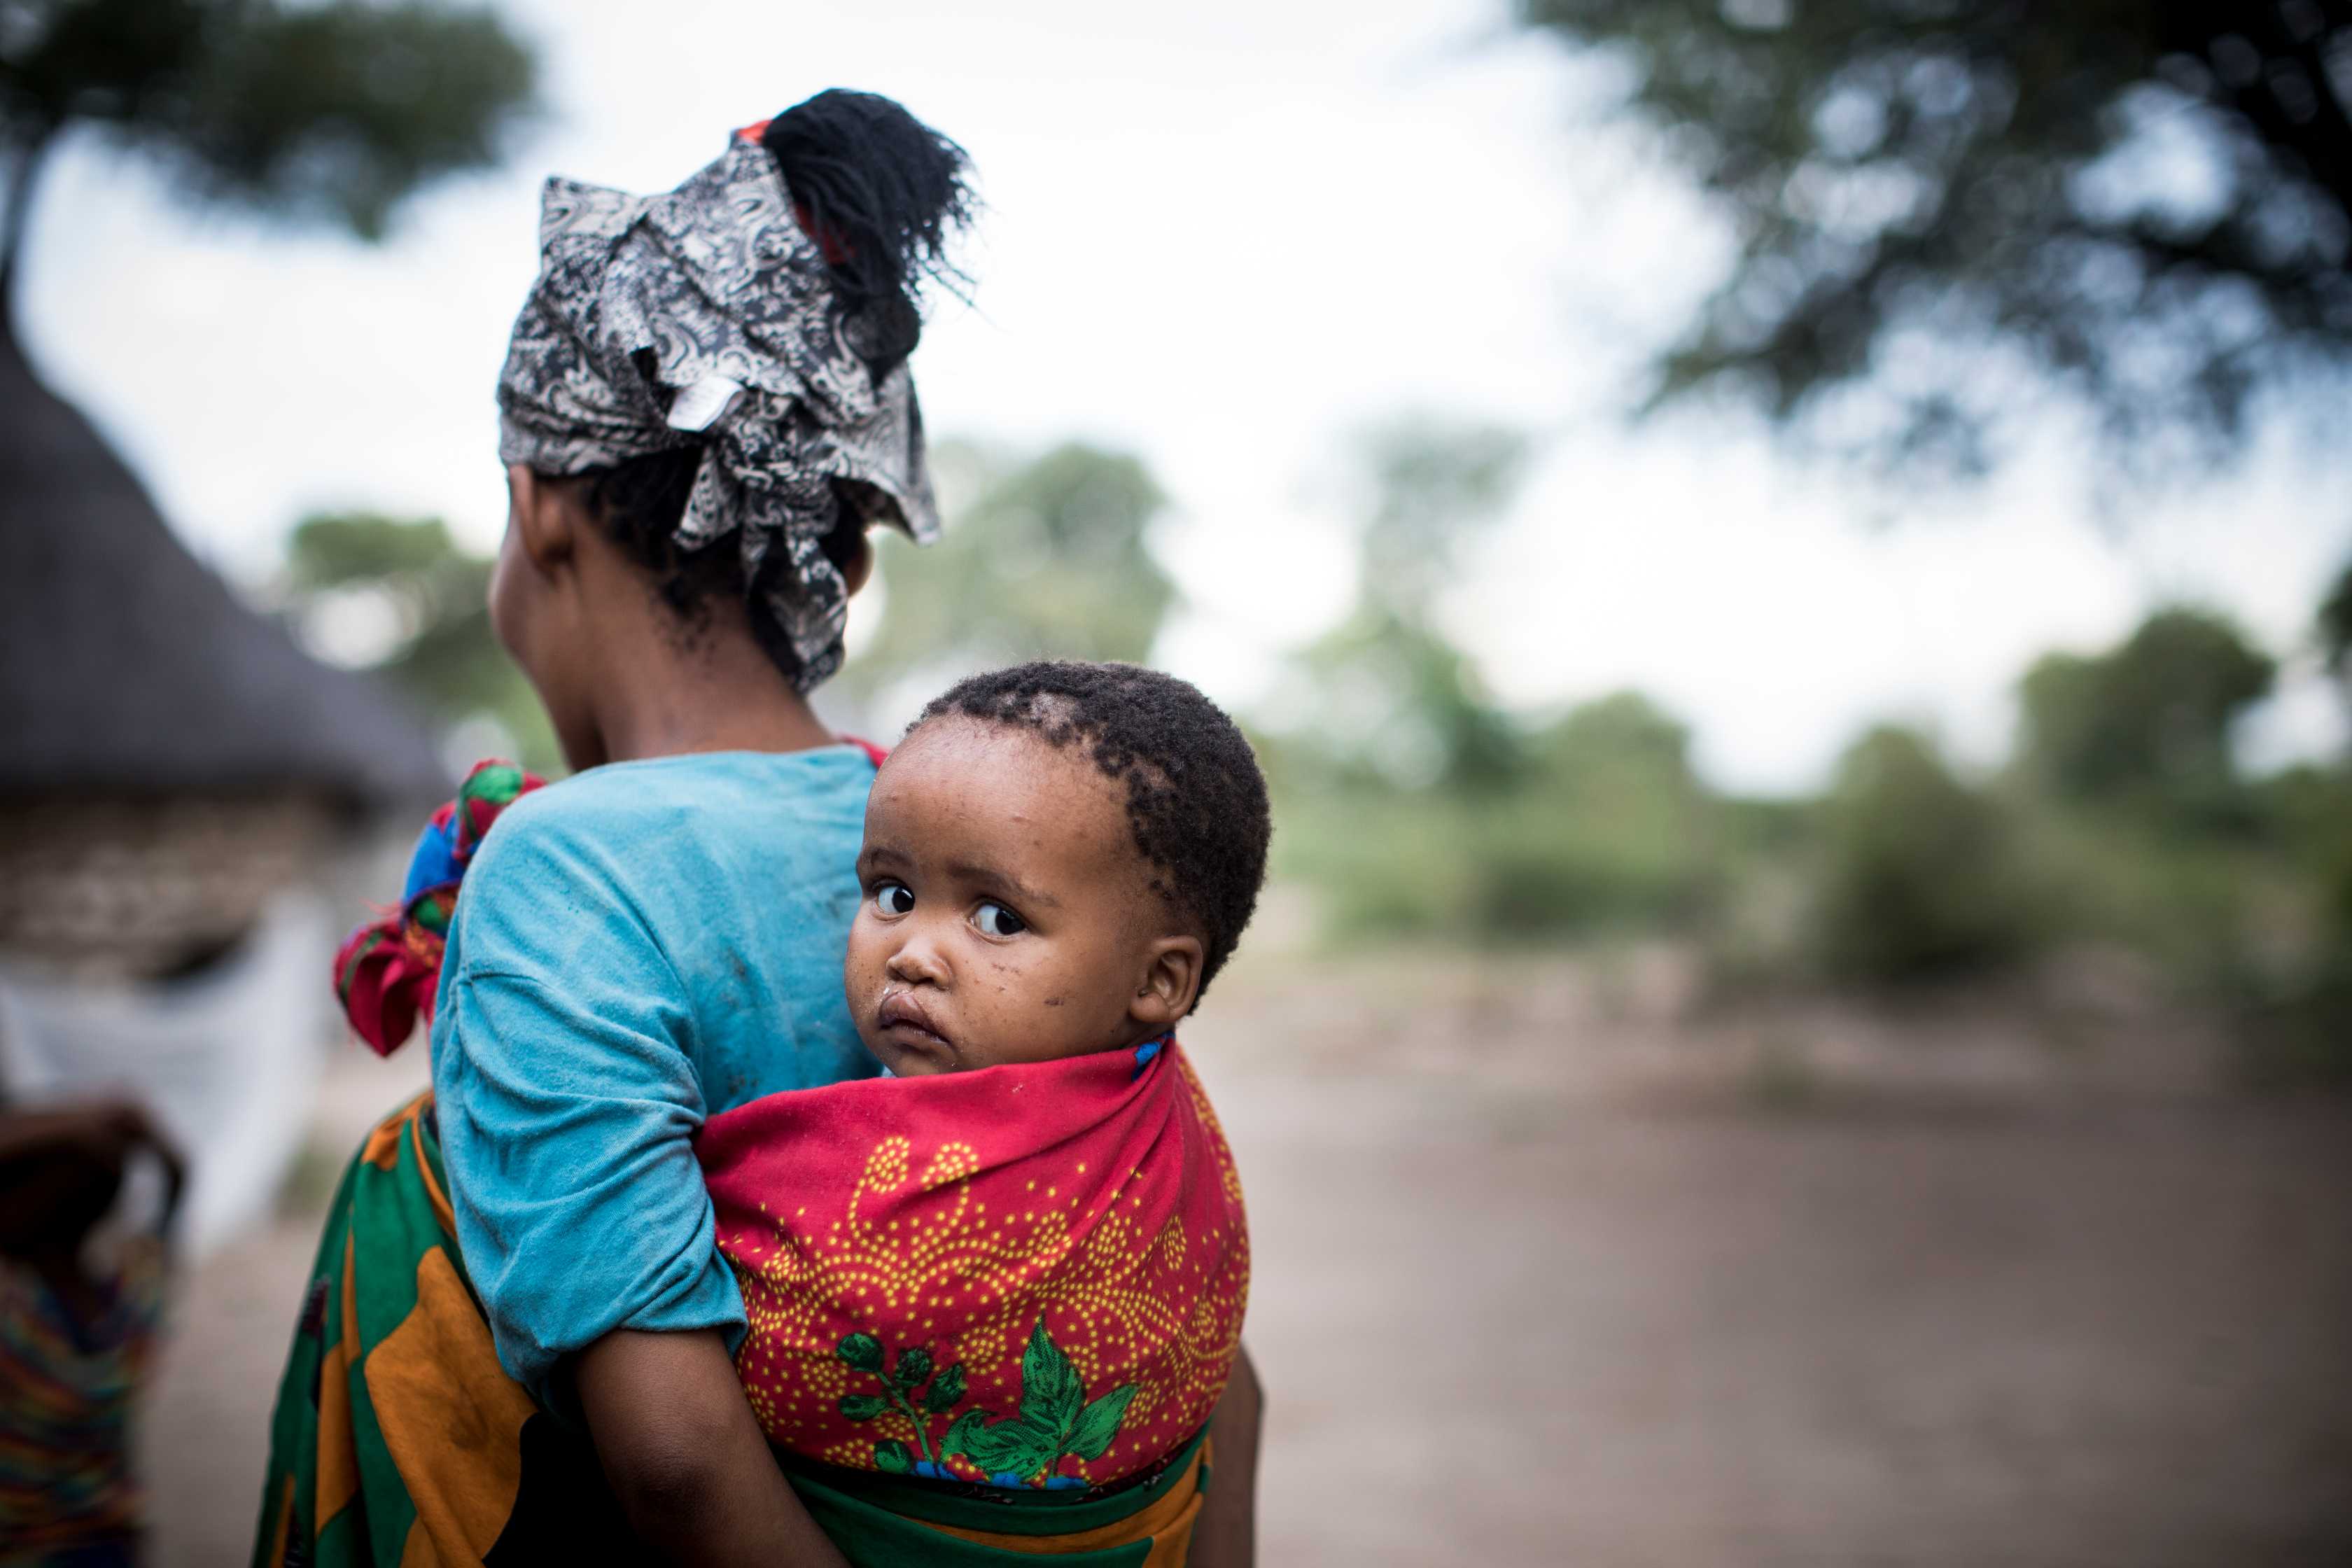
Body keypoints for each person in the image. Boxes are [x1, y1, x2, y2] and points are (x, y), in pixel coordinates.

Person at [252, 90, 1261, 1568]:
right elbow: (1201, 1354)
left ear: (539, 509)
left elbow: (668, 1455)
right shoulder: (998, 858)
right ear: (838, 545)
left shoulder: (575, 869)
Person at [699, 660, 1267, 1563]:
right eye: (892, 892)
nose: (913, 952)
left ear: (1158, 982)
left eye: (997, 918)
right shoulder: (1150, 1091)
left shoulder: (897, 1220)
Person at [0, 1098, 182, 1568]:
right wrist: (148, 1138)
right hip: (111, 1545)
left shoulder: (17, 1323)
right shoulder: (134, 1307)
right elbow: (177, 1187)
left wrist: (75, 1116)